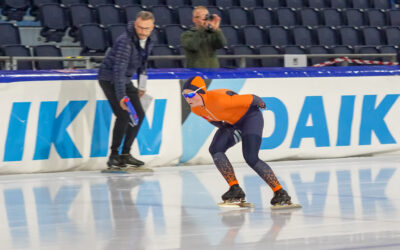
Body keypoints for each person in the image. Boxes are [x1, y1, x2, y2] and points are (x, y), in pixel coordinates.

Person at [182, 76, 293, 206]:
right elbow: (215, 121)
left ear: (201, 92)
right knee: (215, 149)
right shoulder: (195, 109)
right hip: (233, 124)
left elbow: (254, 99)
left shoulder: (221, 100)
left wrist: (262, 105)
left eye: (190, 94)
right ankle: (235, 189)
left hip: (251, 118)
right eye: (184, 96)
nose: (187, 99)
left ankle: (280, 192)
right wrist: (228, 131)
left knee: (251, 158)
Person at [97, 11, 155, 169]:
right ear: (135, 25)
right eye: (140, 28)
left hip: (126, 79)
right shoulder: (125, 41)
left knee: (138, 115)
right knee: (123, 115)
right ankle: (113, 156)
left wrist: (142, 86)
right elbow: (118, 70)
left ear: (152, 27)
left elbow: (143, 64)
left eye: (146, 29)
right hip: (110, 79)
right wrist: (122, 96)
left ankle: (125, 155)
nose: (143, 32)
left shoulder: (149, 40)